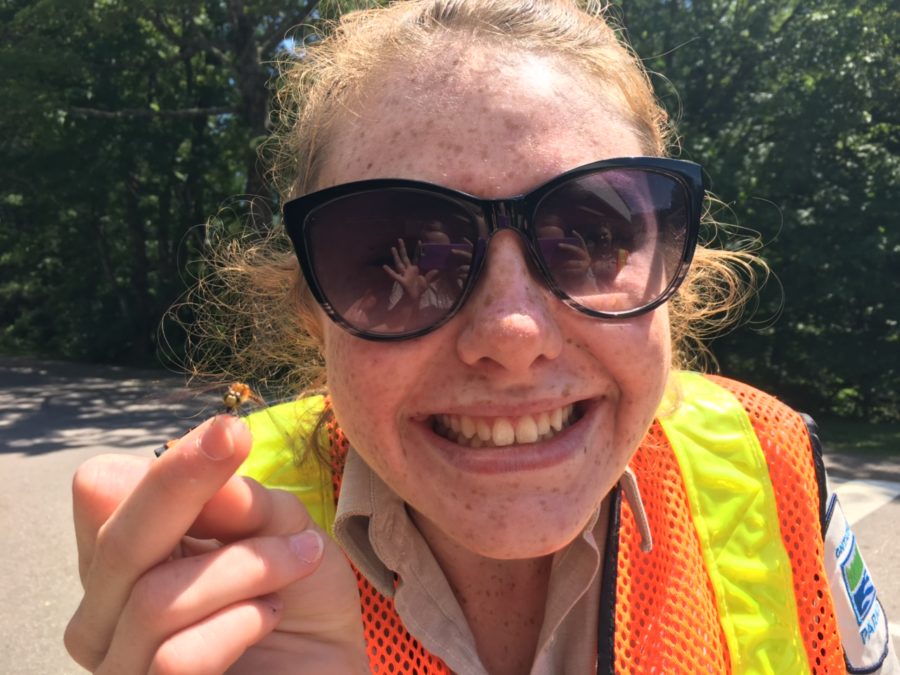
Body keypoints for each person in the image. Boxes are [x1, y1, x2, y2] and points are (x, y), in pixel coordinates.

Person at [64, 1, 898, 673]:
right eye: (396, 257)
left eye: (592, 236)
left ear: (671, 262)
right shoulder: (220, 549)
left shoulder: (772, 461)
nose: (511, 333)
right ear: (309, 306)